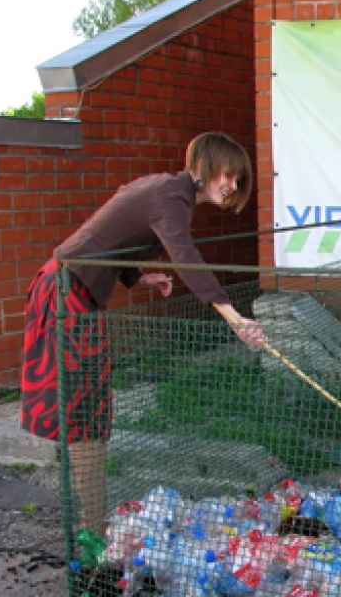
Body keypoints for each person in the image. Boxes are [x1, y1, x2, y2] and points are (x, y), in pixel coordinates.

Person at [20, 131, 266, 533]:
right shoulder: (171, 197)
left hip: (72, 290)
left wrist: (138, 277)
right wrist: (233, 316)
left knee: (90, 416)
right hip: (65, 294)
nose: (232, 185)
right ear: (203, 165)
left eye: (238, 179)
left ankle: (92, 525)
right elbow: (185, 257)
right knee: (84, 417)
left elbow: (112, 236)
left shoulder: (167, 191)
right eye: (228, 174)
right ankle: (92, 532)